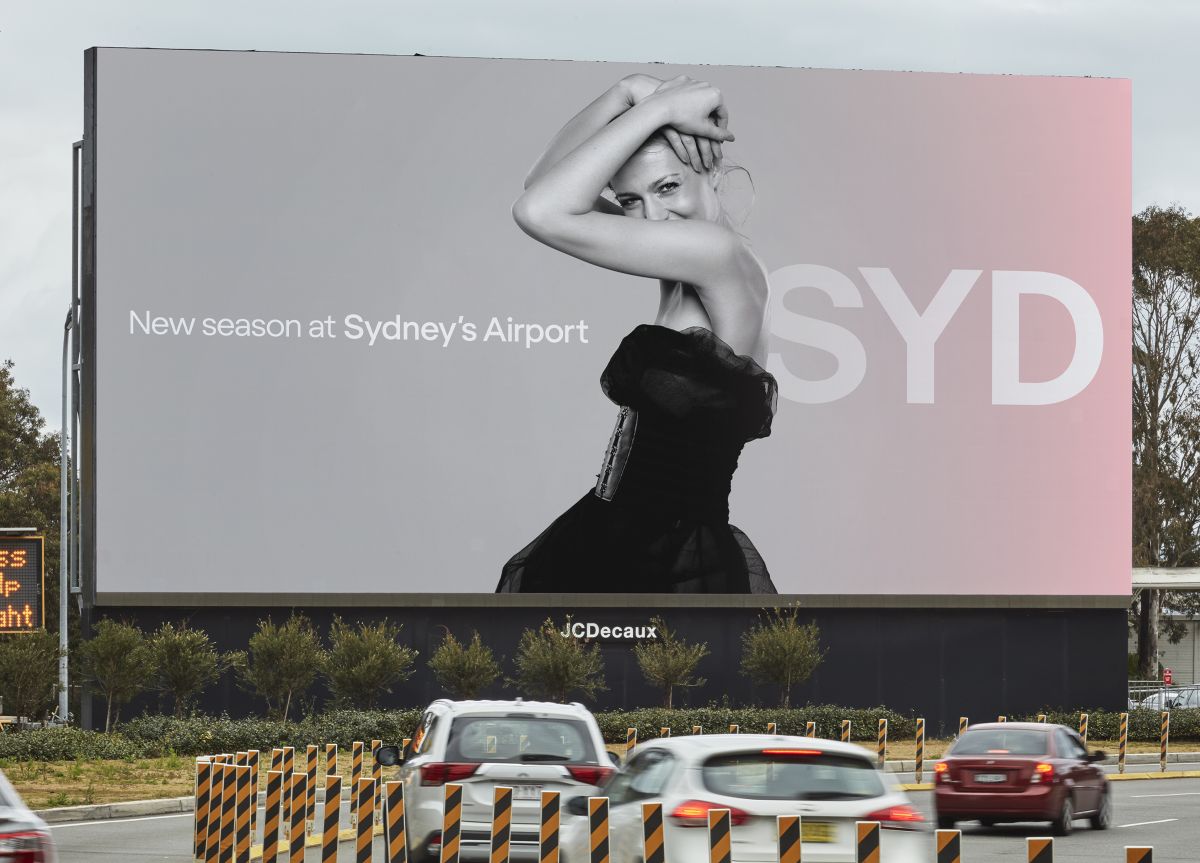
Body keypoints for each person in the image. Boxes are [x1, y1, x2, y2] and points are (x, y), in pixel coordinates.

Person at [495, 74, 779, 594]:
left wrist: (654, 108)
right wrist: (627, 93)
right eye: (629, 201)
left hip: (670, 559)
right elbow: (542, 187)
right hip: (612, 533)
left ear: (712, 169)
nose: (652, 216)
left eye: (668, 187)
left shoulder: (716, 255)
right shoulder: (688, 261)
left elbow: (538, 211)